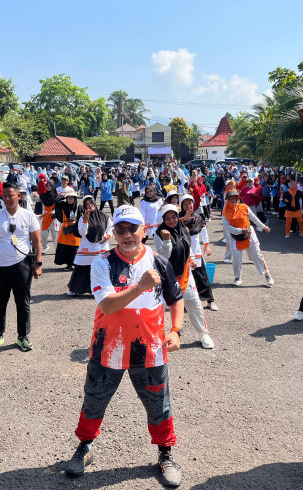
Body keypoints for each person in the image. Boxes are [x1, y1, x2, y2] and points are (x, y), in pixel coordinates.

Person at [65, 205, 184, 488]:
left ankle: (165, 454)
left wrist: (177, 331)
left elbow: (176, 297)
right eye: (121, 229)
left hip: (151, 349)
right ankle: (84, 448)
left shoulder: (159, 262)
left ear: (145, 230)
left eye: (133, 228)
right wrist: (140, 287)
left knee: (159, 405)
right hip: (108, 347)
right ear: (113, 232)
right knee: (94, 400)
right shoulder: (102, 263)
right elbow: (106, 306)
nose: (127, 235)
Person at [0, 182, 43, 352]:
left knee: (22, 302)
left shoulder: (28, 216)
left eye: (11, 195)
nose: (8, 199)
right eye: (5, 195)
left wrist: (38, 264)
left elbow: (37, 241)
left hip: (22, 265)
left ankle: (23, 336)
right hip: (0, 266)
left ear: (19, 196)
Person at [155, 205, 215, 349]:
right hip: (167, 277)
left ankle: (203, 333)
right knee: (159, 308)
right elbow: (163, 257)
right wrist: (167, 240)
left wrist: (192, 259)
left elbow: (188, 248)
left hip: (186, 275)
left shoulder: (184, 229)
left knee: (194, 303)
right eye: (167, 218)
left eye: (174, 217)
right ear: (163, 219)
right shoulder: (159, 233)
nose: (171, 220)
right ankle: (157, 338)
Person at [222, 190, 273, 286]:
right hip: (234, 236)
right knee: (236, 258)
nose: (232, 200)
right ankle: (237, 278)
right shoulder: (225, 211)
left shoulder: (244, 207)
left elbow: (253, 218)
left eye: (234, 198)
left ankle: (267, 274)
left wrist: (263, 226)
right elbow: (227, 227)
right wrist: (240, 231)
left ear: (237, 198)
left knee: (257, 255)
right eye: (230, 198)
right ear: (227, 200)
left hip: (249, 234)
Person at [66, 196, 112, 296]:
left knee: (101, 268)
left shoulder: (104, 215)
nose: (90, 206)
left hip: (101, 246)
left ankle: (103, 289)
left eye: (91, 203)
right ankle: (74, 289)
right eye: (87, 204)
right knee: (82, 268)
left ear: (94, 203)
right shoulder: (82, 217)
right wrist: (86, 220)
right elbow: (82, 232)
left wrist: (107, 236)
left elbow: (110, 228)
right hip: (87, 246)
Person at [180, 195, 217, 311]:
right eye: (185, 204)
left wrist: (207, 245)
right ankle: (186, 303)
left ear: (193, 204)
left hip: (196, 252)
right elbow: (174, 230)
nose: (188, 206)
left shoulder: (199, 218)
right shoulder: (178, 219)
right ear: (182, 206)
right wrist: (184, 219)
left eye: (190, 203)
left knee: (202, 277)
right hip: (183, 253)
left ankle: (210, 300)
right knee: (186, 278)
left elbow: (204, 231)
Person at [53, 192, 81, 271]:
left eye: (72, 198)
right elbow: (56, 201)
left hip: (75, 230)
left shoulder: (79, 206)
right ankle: (68, 265)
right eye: (69, 198)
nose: (71, 199)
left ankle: (76, 265)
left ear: (75, 199)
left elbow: (83, 217)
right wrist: (62, 197)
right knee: (65, 248)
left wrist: (76, 222)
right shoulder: (63, 205)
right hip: (65, 230)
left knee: (74, 248)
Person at [38, 180, 59, 253]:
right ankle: (45, 247)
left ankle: (57, 249)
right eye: (47, 185)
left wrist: (55, 211)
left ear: (53, 186)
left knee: (55, 235)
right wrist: (34, 196)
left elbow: (60, 207)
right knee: (43, 234)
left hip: (54, 218)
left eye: (50, 186)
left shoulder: (57, 197)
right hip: (45, 217)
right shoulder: (43, 196)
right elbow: (35, 200)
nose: (48, 187)